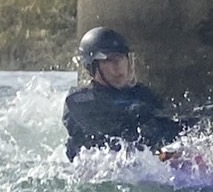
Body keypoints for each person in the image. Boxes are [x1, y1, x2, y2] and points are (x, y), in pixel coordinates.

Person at [62, 27, 186, 161]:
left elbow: (165, 133)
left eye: (121, 58)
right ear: (92, 66)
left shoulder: (143, 94)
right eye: (109, 60)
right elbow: (98, 126)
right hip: (97, 167)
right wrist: (131, 112)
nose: (118, 66)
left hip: (139, 165)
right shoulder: (79, 99)